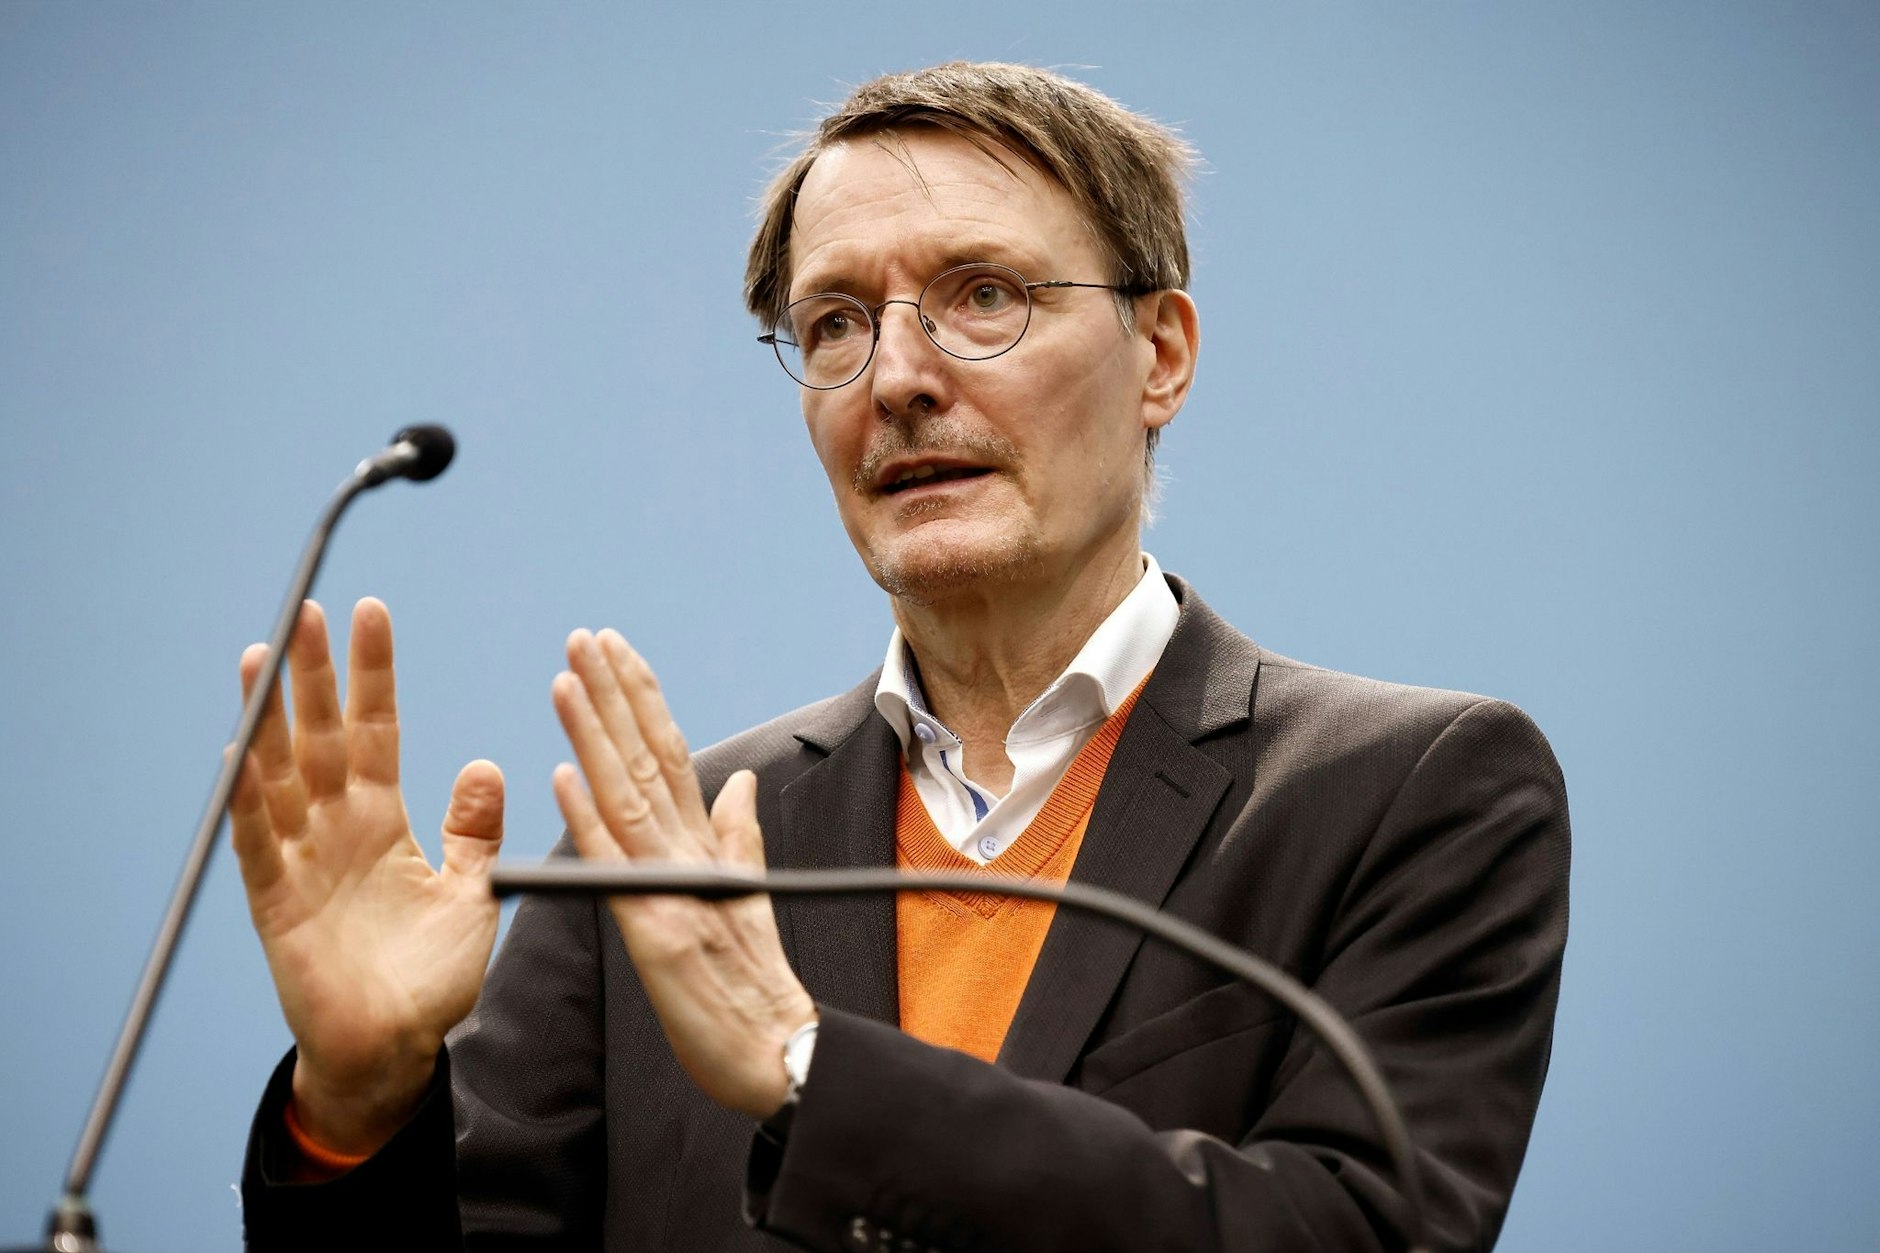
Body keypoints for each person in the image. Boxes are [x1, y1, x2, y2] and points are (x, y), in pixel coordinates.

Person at [232, 62, 1569, 1252]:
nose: (897, 378)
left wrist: (806, 1071)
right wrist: (357, 1111)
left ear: (1160, 354)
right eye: (835, 323)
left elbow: (1353, 1228)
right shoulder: (647, 864)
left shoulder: (1407, 793)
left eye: (983, 296)